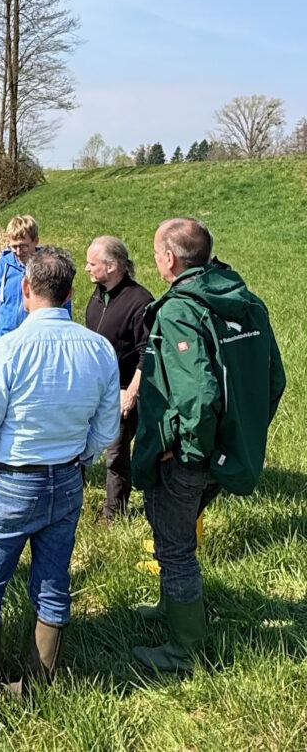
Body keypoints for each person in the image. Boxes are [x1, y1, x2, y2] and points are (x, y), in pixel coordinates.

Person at [0, 248, 120, 732]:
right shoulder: (99, 349)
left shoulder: (8, 349)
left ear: (25, 291)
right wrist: (80, 457)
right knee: (51, 581)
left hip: (11, 479)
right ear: (71, 293)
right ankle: (36, 689)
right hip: (66, 478)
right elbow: (106, 430)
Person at [131, 218, 285, 672]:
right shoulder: (246, 300)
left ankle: (187, 649)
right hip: (227, 450)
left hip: (190, 454)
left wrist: (189, 452)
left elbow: (197, 394)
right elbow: (273, 379)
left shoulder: (181, 309)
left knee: (174, 546)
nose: (157, 257)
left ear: (170, 259)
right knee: (179, 537)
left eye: (158, 250)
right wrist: (233, 439)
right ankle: (172, 606)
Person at [84, 236, 153, 522]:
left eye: (92, 263)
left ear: (112, 266)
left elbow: (148, 352)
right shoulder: (98, 294)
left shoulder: (140, 301)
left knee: (116, 454)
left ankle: (113, 514)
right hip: (93, 389)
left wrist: (132, 392)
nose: (86, 268)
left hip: (123, 390)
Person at [0, 215, 71, 368]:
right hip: (5, 342)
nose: (18, 251)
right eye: (13, 246)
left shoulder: (48, 268)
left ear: (35, 241)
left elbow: (63, 306)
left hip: (39, 343)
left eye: (23, 246)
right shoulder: (2, 267)